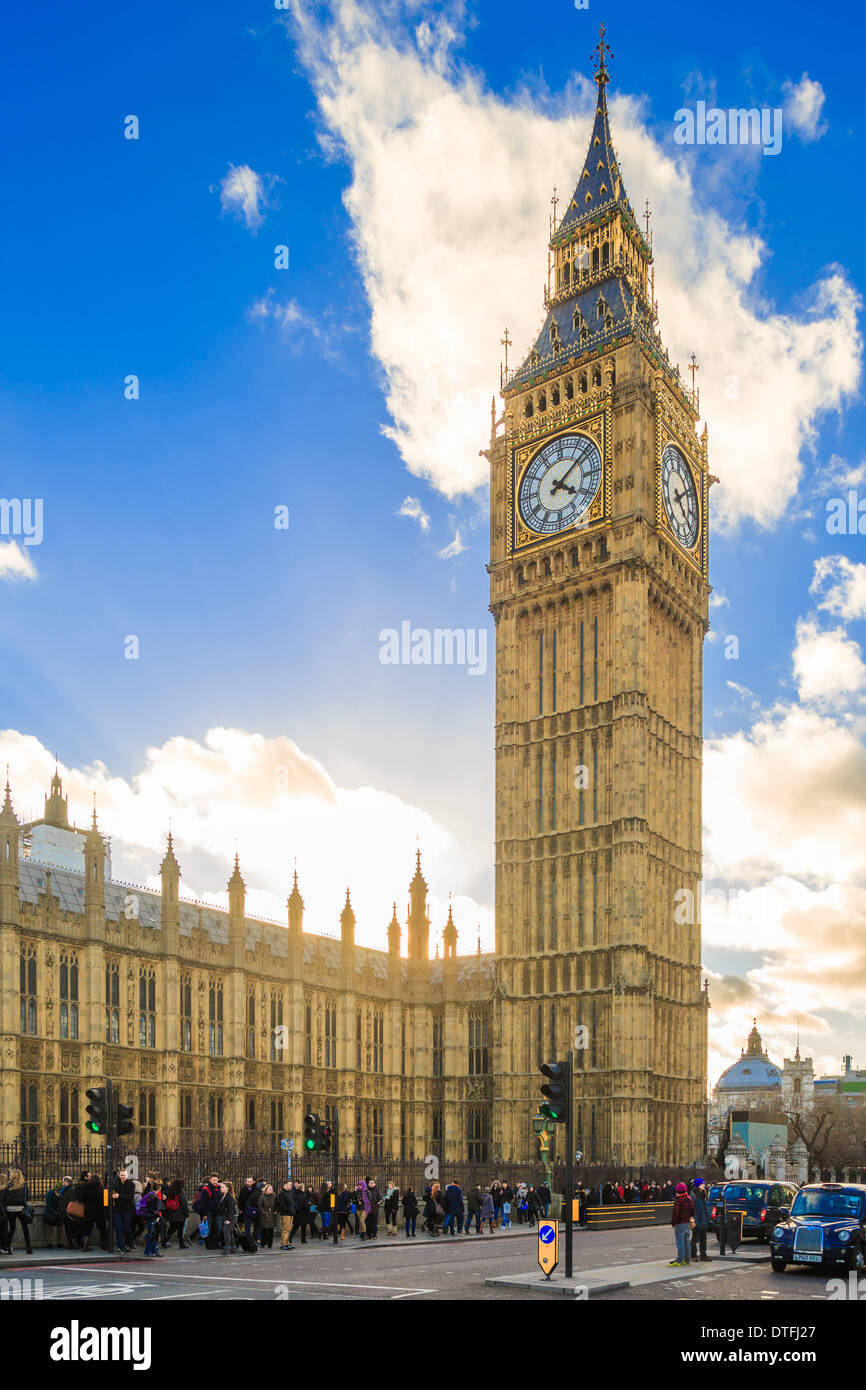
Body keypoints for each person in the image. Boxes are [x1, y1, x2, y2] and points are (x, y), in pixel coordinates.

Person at [3, 1168, 33, 1254]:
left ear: (12, 1176)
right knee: (25, 1229)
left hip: (10, 1209)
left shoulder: (8, 1185)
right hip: (21, 1209)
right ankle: (28, 1248)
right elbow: (27, 1198)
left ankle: (7, 1248)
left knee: (12, 1229)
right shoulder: (24, 1185)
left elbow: (4, 1198)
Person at [669, 1181, 695, 1267]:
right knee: (686, 1242)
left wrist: (673, 1223)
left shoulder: (678, 1200)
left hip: (679, 1224)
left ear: (677, 1191)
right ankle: (687, 1260)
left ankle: (679, 1260)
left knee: (680, 1242)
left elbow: (675, 1213)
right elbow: (692, 1212)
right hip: (686, 1223)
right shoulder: (689, 1199)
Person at [112, 1168, 136, 1252]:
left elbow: (130, 1197)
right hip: (117, 1209)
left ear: (127, 1175)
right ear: (119, 1175)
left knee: (126, 1227)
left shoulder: (131, 1184)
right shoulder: (115, 1184)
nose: (123, 1177)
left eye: (124, 1175)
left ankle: (129, 1244)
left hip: (127, 1209)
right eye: (121, 1175)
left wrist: (119, 1196)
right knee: (119, 1228)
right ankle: (120, 1246)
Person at [162, 1179, 190, 1249]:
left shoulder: (170, 1191)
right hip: (180, 1215)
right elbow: (184, 1204)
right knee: (180, 1230)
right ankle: (181, 1244)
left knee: (172, 1229)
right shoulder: (181, 1192)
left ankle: (165, 1241)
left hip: (171, 1214)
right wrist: (186, 1213)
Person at [690, 1179, 711, 1262]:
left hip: (703, 1220)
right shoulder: (693, 1195)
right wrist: (693, 1220)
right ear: (698, 1185)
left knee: (703, 1238)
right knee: (694, 1239)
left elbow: (705, 1207)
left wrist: (707, 1218)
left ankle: (703, 1255)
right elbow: (692, 1209)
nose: (704, 1185)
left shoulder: (704, 1194)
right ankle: (693, 1255)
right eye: (702, 1184)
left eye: (704, 1184)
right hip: (697, 1220)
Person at [217, 1181, 238, 1256]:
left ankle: (227, 1249)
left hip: (232, 1216)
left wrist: (228, 1219)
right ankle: (233, 1248)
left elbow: (230, 1209)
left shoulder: (229, 1197)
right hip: (229, 1215)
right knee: (230, 1231)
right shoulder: (224, 1195)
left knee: (226, 1231)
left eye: (223, 1187)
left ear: (227, 1188)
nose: (221, 1188)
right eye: (221, 1187)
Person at [277, 1181, 297, 1250]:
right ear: (285, 1185)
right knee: (285, 1229)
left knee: (289, 1229)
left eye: (291, 1185)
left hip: (291, 1213)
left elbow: (292, 1202)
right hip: (285, 1213)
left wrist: (293, 1210)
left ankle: (287, 1243)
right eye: (290, 1185)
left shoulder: (290, 1192)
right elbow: (282, 1205)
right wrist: (289, 1210)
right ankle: (283, 1244)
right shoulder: (282, 1193)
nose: (291, 1186)